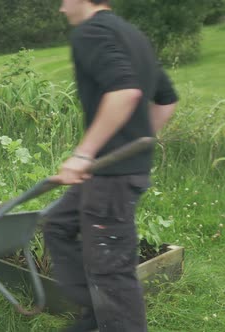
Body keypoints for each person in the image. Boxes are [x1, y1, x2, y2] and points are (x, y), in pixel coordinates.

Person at [43, 1, 179, 331]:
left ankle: (111, 319)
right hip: (108, 171)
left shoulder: (90, 33)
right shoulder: (132, 34)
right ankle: (92, 314)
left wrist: (83, 154)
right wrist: (134, 141)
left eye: (64, 1)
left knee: (111, 275)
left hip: (110, 179)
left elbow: (125, 92)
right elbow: (167, 99)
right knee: (56, 224)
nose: (62, 8)